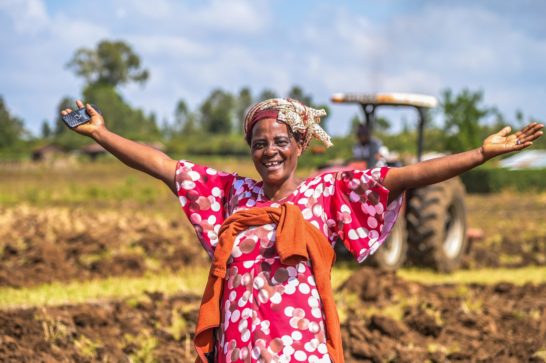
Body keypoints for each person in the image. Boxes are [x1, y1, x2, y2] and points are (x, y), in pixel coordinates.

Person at [61, 98, 543, 363]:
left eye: (279, 142)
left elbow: (403, 178)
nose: (269, 151)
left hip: (297, 346)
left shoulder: (328, 193)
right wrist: (102, 134)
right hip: (239, 346)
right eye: (258, 143)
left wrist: (479, 156)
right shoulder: (233, 194)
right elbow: (164, 167)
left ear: (299, 145)